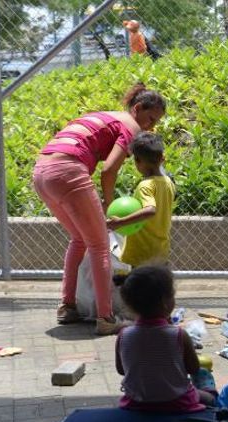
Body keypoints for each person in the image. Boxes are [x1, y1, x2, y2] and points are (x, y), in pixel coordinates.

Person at [33, 83, 166, 335]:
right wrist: (107, 202)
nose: (149, 127)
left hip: (41, 173)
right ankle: (106, 318)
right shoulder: (130, 126)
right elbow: (109, 170)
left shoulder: (107, 116)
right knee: (99, 245)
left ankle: (67, 306)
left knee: (79, 239)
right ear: (137, 108)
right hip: (68, 171)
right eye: (150, 119)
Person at [115, 264, 215, 412]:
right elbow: (193, 368)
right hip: (177, 402)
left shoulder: (124, 335)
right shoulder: (179, 335)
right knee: (209, 397)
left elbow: (122, 370)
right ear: (165, 302)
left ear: (130, 304)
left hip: (137, 404)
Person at [107, 132, 176, 267]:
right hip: (160, 249)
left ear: (137, 161)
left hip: (141, 251)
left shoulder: (146, 186)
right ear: (162, 158)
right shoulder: (168, 182)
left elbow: (150, 210)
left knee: (139, 286)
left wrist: (121, 222)